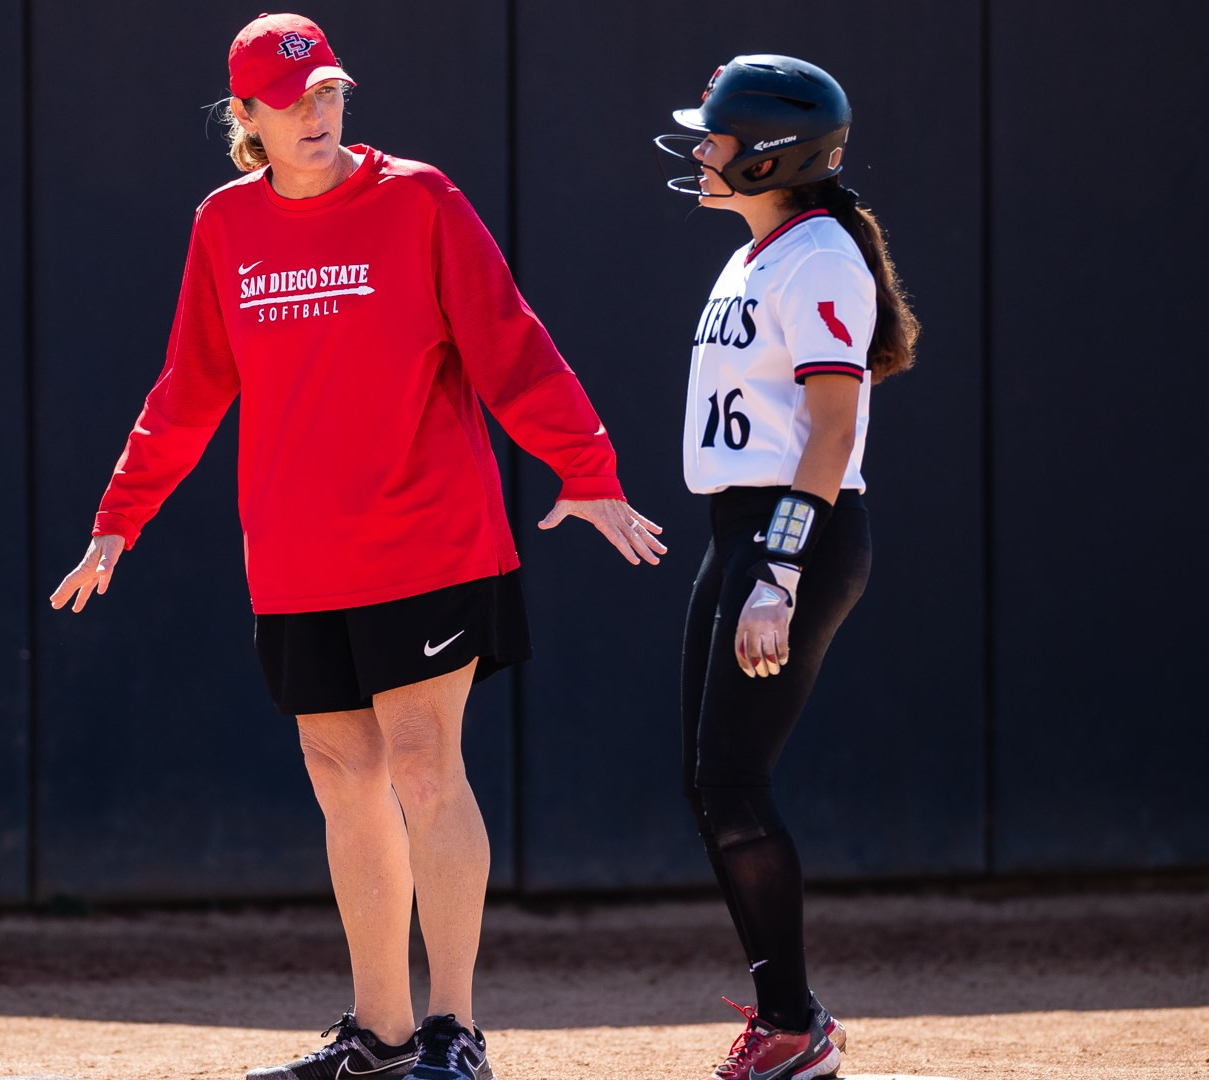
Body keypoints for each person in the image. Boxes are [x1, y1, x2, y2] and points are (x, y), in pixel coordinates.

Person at [48, 13, 665, 1080]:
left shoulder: (419, 199)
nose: (317, 113)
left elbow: (508, 343)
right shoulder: (224, 225)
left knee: (427, 767)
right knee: (343, 778)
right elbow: (192, 386)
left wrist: (587, 467)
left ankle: (454, 1028)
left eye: (328, 91)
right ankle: (378, 1032)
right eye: (290, 99)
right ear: (244, 116)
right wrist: (120, 515)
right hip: (296, 554)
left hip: (428, 539)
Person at [653, 55, 919, 1080]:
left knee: (732, 780)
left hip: (789, 533)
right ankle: (789, 1017)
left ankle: (795, 1024)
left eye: (718, 137)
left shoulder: (818, 260)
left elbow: (834, 426)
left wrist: (779, 571)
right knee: (708, 782)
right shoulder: (763, 251)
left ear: (773, 153)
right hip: (741, 529)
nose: (702, 151)